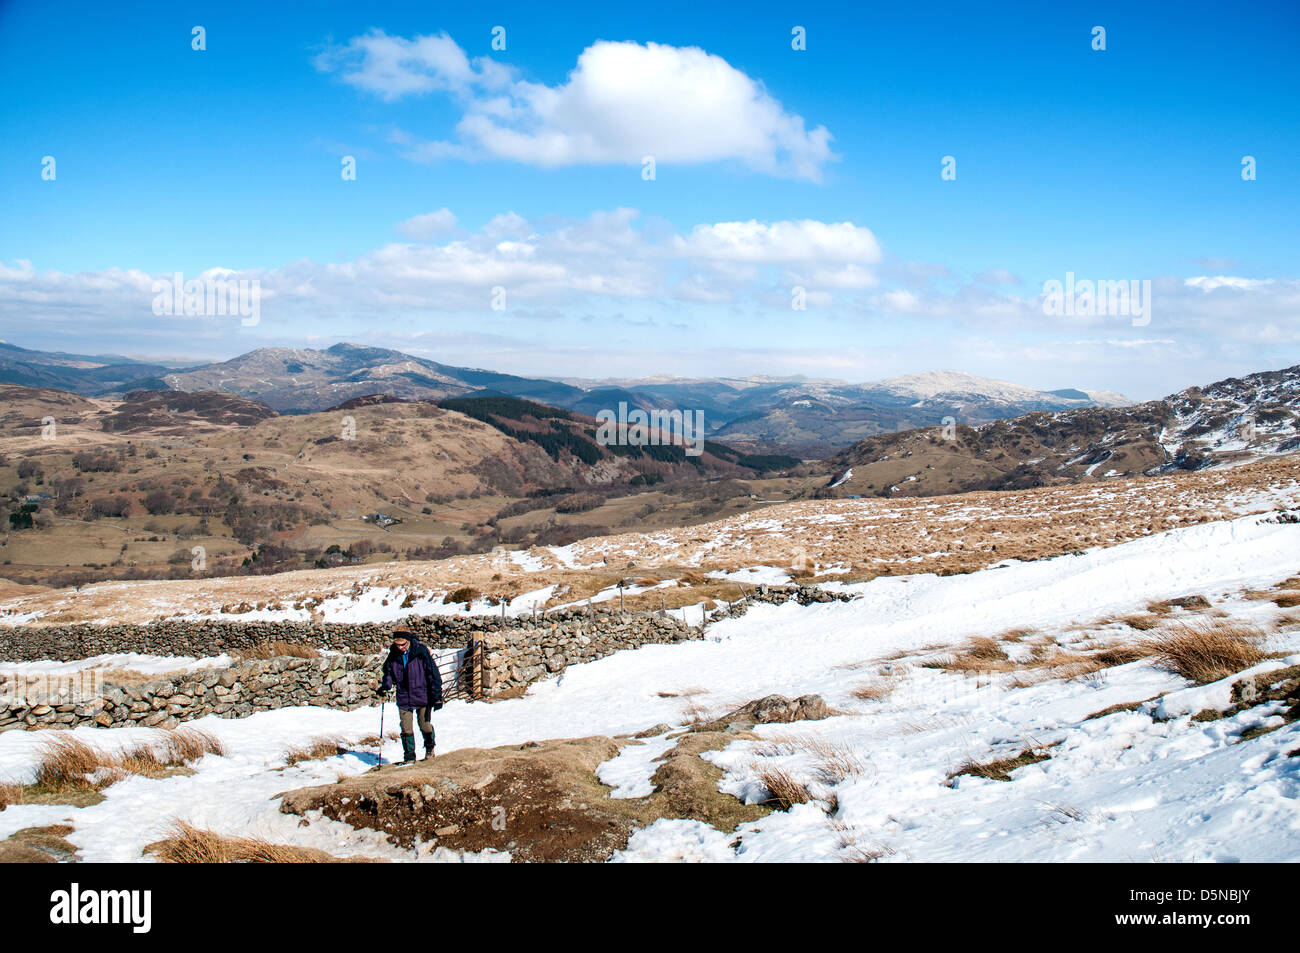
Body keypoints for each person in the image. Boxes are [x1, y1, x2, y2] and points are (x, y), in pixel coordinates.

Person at [378, 628, 443, 762]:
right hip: (404, 695)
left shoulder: (420, 651)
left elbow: (433, 673)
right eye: (398, 644)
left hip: (423, 693)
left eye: (403, 644)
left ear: (408, 641)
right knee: (406, 727)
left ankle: (430, 748)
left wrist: (437, 695)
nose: (400, 647)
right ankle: (409, 756)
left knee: (424, 724)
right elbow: (388, 673)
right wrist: (386, 686)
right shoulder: (393, 655)